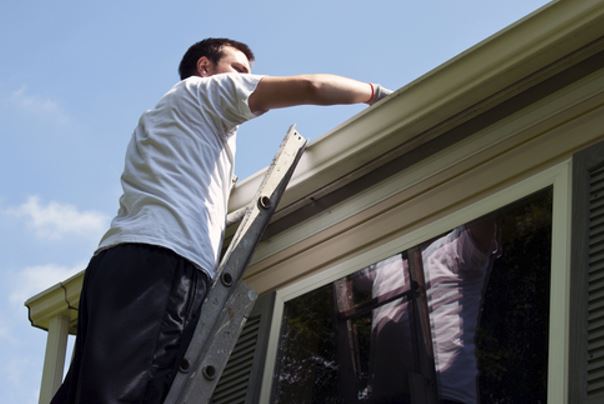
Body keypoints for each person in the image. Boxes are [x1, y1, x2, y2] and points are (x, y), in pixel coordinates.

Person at [50, 37, 392, 404]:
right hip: (165, 260)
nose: (248, 77)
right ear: (205, 67)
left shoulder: (167, 118)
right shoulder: (209, 90)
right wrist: (377, 94)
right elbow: (311, 86)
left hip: (115, 262)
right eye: (239, 69)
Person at [363, 218, 499, 403]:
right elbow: (341, 256)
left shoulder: (453, 248)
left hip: (444, 393)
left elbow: (482, 219)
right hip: (386, 396)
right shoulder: (384, 264)